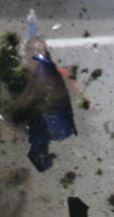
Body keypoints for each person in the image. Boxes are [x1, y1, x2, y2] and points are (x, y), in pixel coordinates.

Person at [14, 36, 83, 172]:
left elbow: (82, 97)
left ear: (45, 53)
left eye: (39, 51)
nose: (35, 54)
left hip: (54, 126)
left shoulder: (58, 73)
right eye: (31, 51)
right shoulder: (19, 76)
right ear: (26, 54)